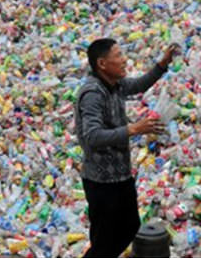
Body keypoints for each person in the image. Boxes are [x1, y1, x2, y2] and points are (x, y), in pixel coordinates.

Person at [73, 38, 179, 257]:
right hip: (101, 181)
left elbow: (139, 85)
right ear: (102, 64)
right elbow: (91, 136)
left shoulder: (116, 85)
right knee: (104, 240)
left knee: (130, 226)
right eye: (119, 56)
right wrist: (132, 129)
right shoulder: (92, 93)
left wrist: (162, 64)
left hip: (121, 175)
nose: (124, 60)